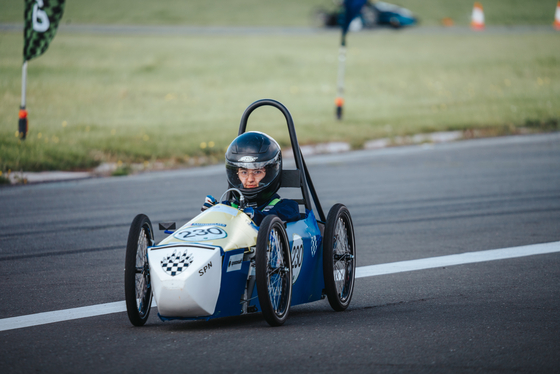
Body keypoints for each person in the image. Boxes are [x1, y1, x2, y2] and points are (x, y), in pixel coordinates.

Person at [201, 131, 300, 226]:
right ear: (236, 175)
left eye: (257, 172)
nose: (250, 179)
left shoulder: (287, 207)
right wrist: (213, 211)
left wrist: (255, 217)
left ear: (270, 174)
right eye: (244, 172)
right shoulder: (229, 207)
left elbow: (280, 215)